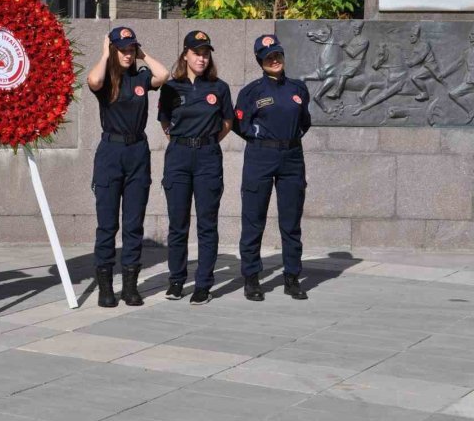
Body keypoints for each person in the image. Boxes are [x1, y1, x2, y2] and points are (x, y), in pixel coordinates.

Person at [86, 26, 170, 307]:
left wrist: (144, 54)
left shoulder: (141, 77)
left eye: (130, 49)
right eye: (122, 49)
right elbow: (93, 80)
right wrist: (104, 54)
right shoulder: (108, 80)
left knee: (133, 224)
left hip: (137, 152)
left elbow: (164, 75)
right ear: (113, 50)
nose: (127, 54)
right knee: (107, 225)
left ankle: (130, 286)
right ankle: (106, 286)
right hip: (111, 152)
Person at [233, 35, 311, 302]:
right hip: (261, 156)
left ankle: (292, 277)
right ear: (260, 61)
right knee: (254, 220)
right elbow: (239, 124)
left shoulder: (298, 89)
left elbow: (305, 122)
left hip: (291, 156)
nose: (274, 60)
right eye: (268, 57)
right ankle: (252, 278)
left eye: (277, 54)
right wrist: (261, 139)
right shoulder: (251, 92)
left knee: (291, 221)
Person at [158, 31, 233, 305]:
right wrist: (184, 142)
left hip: (207, 156)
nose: (202, 58)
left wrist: (205, 142)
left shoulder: (219, 87)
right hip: (178, 156)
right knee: (178, 224)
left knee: (207, 223)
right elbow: (165, 123)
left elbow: (227, 123)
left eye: (206, 53)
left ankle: (203, 284)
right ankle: (176, 281)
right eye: (197, 53)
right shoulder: (171, 87)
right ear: (185, 54)